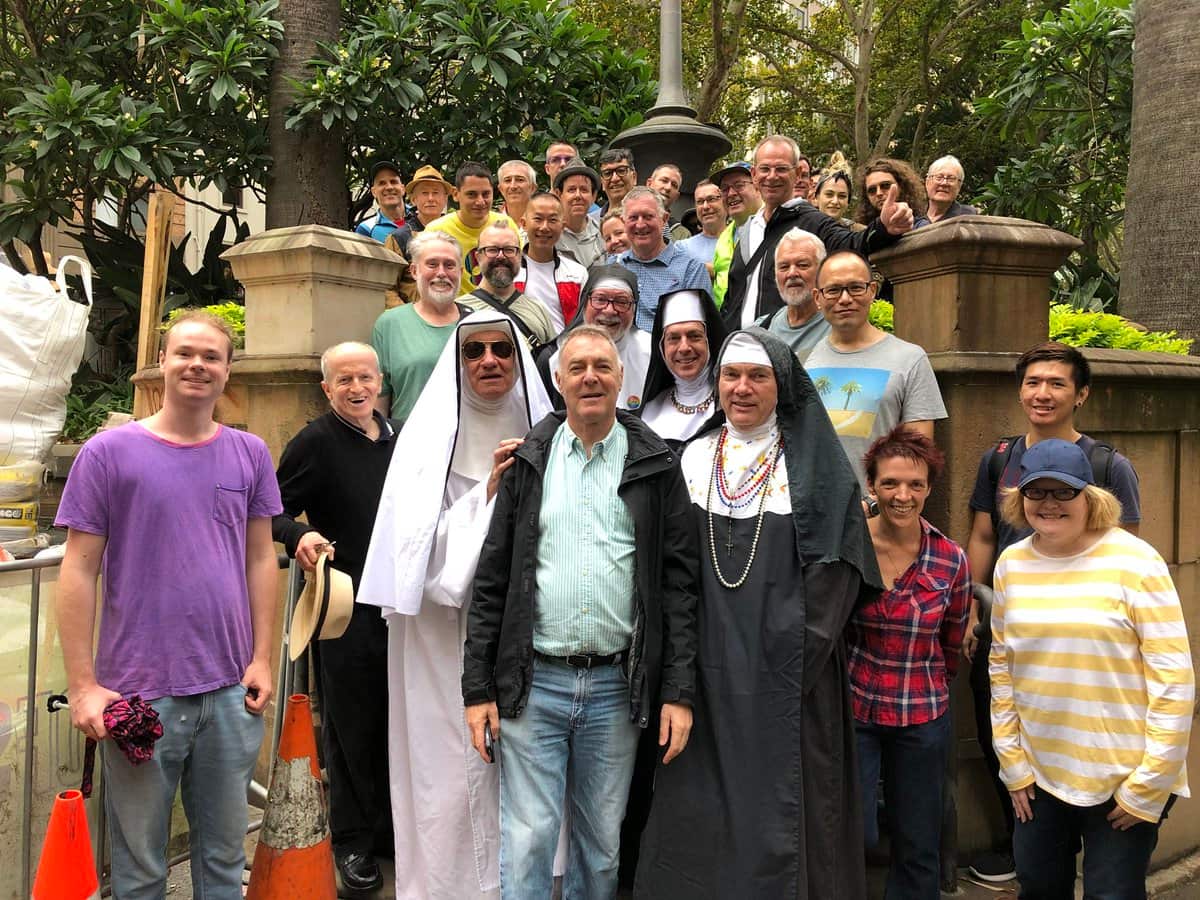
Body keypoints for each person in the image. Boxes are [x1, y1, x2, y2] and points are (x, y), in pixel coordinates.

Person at [635, 327, 882, 899]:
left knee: (785, 810)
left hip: (790, 676)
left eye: (757, 376)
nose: (741, 388)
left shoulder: (820, 469)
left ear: (783, 385)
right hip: (703, 672)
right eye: (730, 375)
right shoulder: (695, 457)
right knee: (700, 809)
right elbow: (674, 569)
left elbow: (835, 579)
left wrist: (779, 659)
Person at [462, 324, 699, 900]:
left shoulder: (657, 465)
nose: (590, 376)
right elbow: (493, 581)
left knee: (602, 843)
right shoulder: (528, 463)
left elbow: (679, 586)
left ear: (622, 379)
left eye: (602, 366)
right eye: (577, 368)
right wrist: (477, 690)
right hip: (533, 680)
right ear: (558, 380)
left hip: (618, 686)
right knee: (528, 837)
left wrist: (678, 692)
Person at [55, 311, 281, 899]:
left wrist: (262, 659)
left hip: (231, 692)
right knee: (139, 871)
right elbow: (77, 569)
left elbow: (261, 558)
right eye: (185, 353)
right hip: (139, 693)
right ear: (162, 362)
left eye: (211, 356)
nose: (197, 365)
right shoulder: (107, 454)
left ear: (228, 370)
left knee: (224, 861)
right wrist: (82, 686)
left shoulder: (249, 454)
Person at [358, 311, 554, 900]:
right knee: (448, 771)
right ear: (458, 362)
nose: (489, 360)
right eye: (475, 351)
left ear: (519, 359)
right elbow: (418, 561)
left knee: (527, 769)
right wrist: (486, 498)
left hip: (527, 631)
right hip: (441, 637)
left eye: (501, 349)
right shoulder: (423, 445)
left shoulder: (550, 432)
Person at [962, 340, 1142, 884]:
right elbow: (981, 534)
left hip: (1082, 639)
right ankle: (1026, 845)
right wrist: (972, 608)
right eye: (1033, 382)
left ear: (1081, 394)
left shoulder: (1110, 465)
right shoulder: (998, 458)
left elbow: (1128, 555)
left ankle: (1091, 844)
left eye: (1057, 383)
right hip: (1009, 627)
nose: (1042, 393)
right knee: (1005, 732)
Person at [989, 439, 1192, 899]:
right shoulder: (1012, 565)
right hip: (1039, 776)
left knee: (1112, 893)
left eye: (1063, 492)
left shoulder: (1136, 563)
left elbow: (1173, 679)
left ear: (1090, 496)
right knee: (1039, 887)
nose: (1049, 504)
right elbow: (1002, 667)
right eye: (1035, 492)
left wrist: (1149, 785)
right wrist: (1013, 763)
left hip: (1122, 778)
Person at [273, 341, 398, 893]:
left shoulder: (400, 439)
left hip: (403, 604)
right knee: (351, 727)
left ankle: (393, 831)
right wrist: (300, 534)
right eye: (343, 380)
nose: (356, 388)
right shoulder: (315, 442)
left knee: (399, 720)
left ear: (380, 382)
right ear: (327, 389)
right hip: (346, 606)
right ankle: (352, 843)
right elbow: (267, 507)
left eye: (364, 378)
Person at [847, 427, 970, 900]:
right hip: (856, 708)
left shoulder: (949, 559)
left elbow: (953, 638)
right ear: (872, 487)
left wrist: (934, 684)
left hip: (922, 714)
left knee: (919, 838)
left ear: (929, 489)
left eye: (915, 485)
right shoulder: (851, 544)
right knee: (852, 830)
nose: (903, 495)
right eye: (891, 484)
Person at [723, 135, 914, 331]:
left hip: (786, 345)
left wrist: (884, 228)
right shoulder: (746, 230)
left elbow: (853, 243)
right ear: (754, 174)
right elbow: (732, 295)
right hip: (739, 348)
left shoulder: (812, 221)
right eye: (765, 169)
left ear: (798, 174)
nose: (772, 176)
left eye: (781, 169)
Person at [804, 250, 947, 493]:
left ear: (872, 291)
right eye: (834, 290)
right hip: (813, 512)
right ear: (817, 298)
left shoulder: (910, 359)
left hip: (879, 514)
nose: (845, 299)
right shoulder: (802, 362)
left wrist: (879, 507)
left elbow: (919, 456)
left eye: (856, 288)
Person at [371, 230, 465, 424]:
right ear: (414, 271)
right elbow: (378, 403)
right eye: (432, 264)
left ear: (460, 272)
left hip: (466, 444)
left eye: (449, 265)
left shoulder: (477, 323)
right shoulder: (390, 325)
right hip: (408, 443)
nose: (441, 273)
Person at [539, 265, 652, 410]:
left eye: (621, 302)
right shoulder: (552, 357)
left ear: (634, 309)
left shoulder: (652, 353)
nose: (610, 310)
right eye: (600, 299)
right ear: (584, 304)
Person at [638, 288, 728, 450]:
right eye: (673, 338)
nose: (684, 347)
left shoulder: (731, 405)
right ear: (661, 347)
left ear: (710, 342)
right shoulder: (649, 411)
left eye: (694, 336)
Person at [616, 186, 713, 331]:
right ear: (623, 222)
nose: (640, 224)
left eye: (648, 216)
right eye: (633, 217)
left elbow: (699, 331)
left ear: (664, 219)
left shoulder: (691, 271)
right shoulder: (614, 266)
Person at [458, 222, 556, 351]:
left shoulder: (538, 310)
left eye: (509, 250)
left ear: (520, 256)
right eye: (492, 250)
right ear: (478, 257)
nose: (501, 256)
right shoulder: (458, 310)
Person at [427, 162, 515, 294]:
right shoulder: (435, 231)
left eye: (486, 194)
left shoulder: (506, 225)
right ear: (456, 194)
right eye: (472, 195)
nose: (480, 201)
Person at [515, 191, 587, 334]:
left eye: (553, 220)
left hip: (564, 350)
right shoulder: (510, 271)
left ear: (563, 226)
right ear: (524, 224)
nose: (544, 227)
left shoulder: (577, 273)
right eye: (538, 219)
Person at [760, 227, 829, 363]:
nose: (792, 273)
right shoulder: (762, 328)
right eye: (784, 267)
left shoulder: (840, 324)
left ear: (823, 270)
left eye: (802, 265)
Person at [708, 161, 761, 308]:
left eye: (739, 185)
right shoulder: (725, 236)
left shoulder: (773, 227)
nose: (731, 193)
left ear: (757, 186)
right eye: (724, 189)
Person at [554, 159, 606, 268]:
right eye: (571, 190)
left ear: (594, 196)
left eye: (584, 190)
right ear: (559, 195)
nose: (578, 196)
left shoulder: (603, 234)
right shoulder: (549, 234)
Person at [856, 158, 930, 229]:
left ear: (901, 186)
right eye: (872, 190)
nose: (878, 193)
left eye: (885, 186)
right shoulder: (861, 231)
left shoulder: (921, 227)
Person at [357, 160, 412, 248]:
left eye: (393, 181)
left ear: (403, 189)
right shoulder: (366, 229)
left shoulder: (420, 216)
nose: (389, 187)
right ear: (374, 192)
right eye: (382, 183)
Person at [677, 179, 726, 267]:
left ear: (725, 201)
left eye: (711, 199)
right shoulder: (682, 247)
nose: (705, 206)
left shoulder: (742, 240)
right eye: (700, 202)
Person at [924, 155, 978, 223]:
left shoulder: (969, 217)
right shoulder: (912, 216)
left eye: (951, 178)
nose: (944, 183)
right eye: (939, 177)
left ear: (959, 185)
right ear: (927, 182)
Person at [646, 163, 692, 243]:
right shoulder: (624, 216)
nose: (668, 188)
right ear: (649, 184)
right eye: (664, 181)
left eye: (674, 185)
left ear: (677, 197)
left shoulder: (682, 236)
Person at [598, 147, 639, 217]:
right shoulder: (590, 222)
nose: (615, 179)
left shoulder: (651, 216)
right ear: (602, 182)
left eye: (621, 171)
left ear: (634, 177)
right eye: (607, 173)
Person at [497, 159, 537, 226]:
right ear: (501, 189)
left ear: (533, 188)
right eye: (507, 180)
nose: (513, 186)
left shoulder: (544, 222)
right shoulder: (489, 222)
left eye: (520, 180)